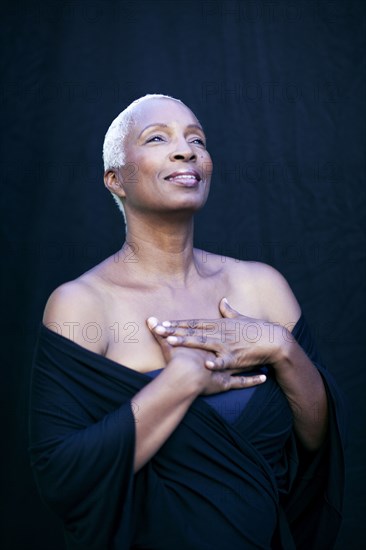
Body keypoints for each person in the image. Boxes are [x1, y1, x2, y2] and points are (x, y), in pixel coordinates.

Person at [29, 94, 346, 549]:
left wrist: (282, 348)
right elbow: (61, 479)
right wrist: (180, 381)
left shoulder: (262, 287)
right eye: (158, 138)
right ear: (115, 179)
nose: (187, 151)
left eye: (197, 139)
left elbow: (316, 442)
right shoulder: (82, 304)